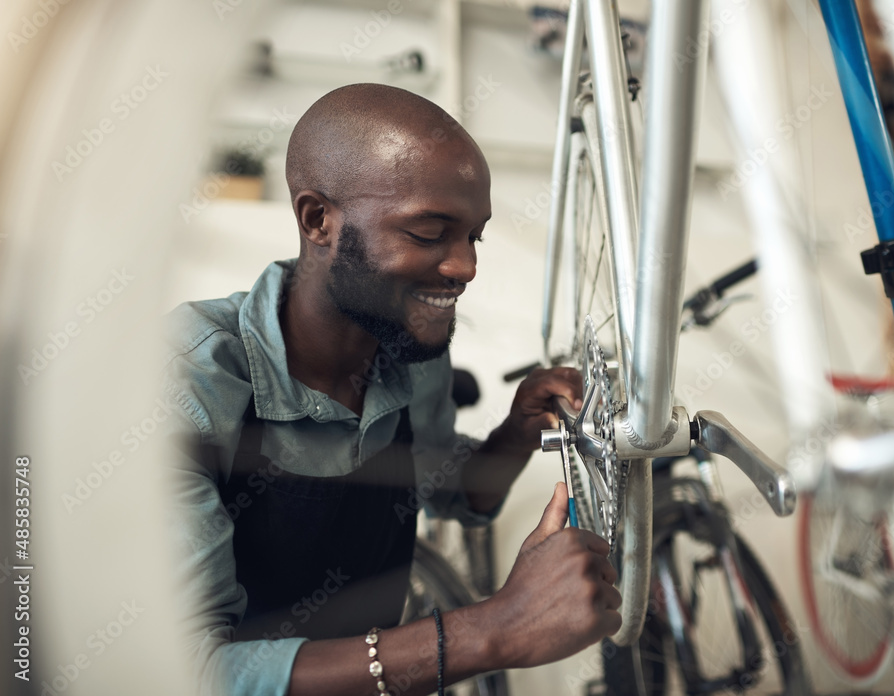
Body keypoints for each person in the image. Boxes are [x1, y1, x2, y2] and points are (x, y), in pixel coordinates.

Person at [163, 83, 621, 696]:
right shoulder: (190, 379)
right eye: (431, 233)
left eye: (473, 236)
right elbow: (181, 671)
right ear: (317, 220)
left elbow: (449, 493)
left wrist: (516, 432)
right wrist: (492, 630)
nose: (465, 267)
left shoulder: (406, 346)